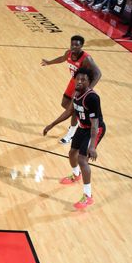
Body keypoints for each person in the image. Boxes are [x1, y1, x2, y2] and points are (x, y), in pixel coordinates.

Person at [43, 68, 105, 209]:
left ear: (89, 82)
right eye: (78, 79)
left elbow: (95, 124)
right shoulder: (76, 93)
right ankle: (76, 175)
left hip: (94, 130)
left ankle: (88, 196)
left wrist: (92, 146)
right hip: (83, 127)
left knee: (83, 159)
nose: (80, 82)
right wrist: (51, 125)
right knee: (72, 154)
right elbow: (69, 111)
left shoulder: (92, 98)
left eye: (83, 80)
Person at [41, 35, 102, 144]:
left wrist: (88, 89)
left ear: (81, 46)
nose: (74, 47)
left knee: (73, 108)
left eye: (76, 45)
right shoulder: (68, 53)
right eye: (72, 44)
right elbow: (62, 58)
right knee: (65, 103)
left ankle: (71, 133)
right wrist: (49, 62)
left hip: (81, 85)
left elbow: (98, 73)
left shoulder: (86, 58)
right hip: (73, 81)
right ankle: (79, 119)